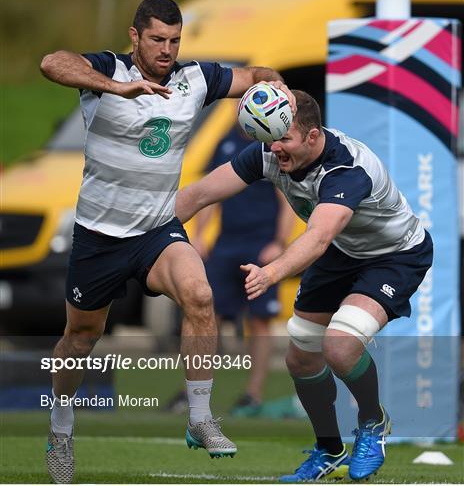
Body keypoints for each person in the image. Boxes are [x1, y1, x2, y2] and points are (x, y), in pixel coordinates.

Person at [39, 0, 295, 484]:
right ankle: (61, 428)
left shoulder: (194, 79)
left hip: (156, 229)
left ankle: (199, 417)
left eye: (174, 41)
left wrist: (273, 90)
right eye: (157, 39)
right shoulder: (106, 72)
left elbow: (256, 76)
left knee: (201, 296)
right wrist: (116, 88)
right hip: (100, 235)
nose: (166, 49)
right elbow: (53, 62)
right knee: (81, 337)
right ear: (134, 36)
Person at [175, 90, 433, 482]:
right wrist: (142, 236)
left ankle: (372, 422)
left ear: (313, 136)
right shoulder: (269, 151)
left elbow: (317, 237)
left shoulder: (346, 169)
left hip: (394, 255)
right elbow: (200, 194)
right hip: (344, 252)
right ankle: (329, 448)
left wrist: (271, 272)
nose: (274, 147)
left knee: (341, 346)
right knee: (300, 358)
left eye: (284, 138)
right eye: (270, 137)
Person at [165, 124, 295, 417]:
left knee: (259, 321)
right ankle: (192, 393)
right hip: (226, 245)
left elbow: (286, 198)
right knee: (204, 313)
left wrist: (278, 243)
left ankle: (253, 395)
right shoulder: (225, 142)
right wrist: (198, 235)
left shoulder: (273, 147)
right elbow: (211, 192)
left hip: (261, 246)